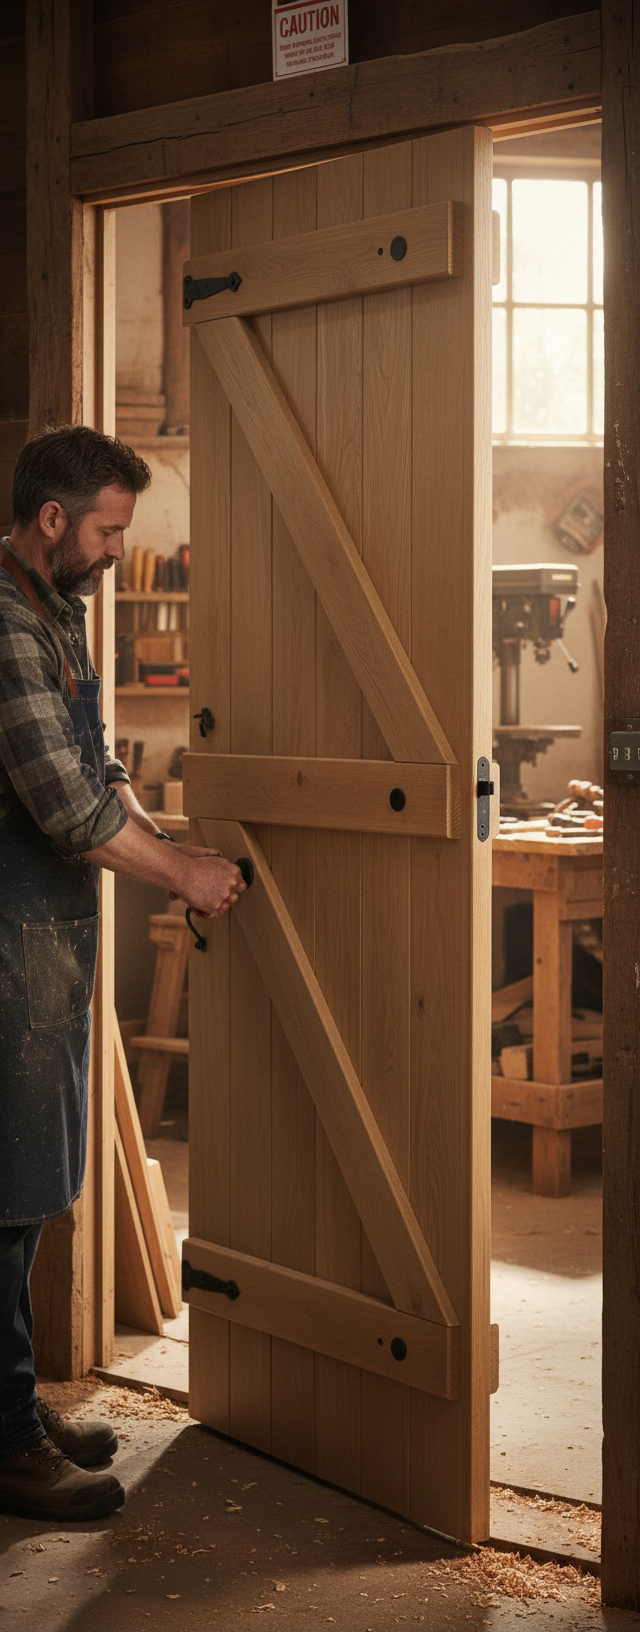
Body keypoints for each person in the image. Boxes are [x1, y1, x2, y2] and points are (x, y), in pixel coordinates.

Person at [0, 425, 246, 1522]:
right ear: (52, 521)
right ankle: (4, 1442)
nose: (116, 551)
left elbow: (98, 770)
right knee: (5, 1197)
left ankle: (6, 1407)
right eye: (107, 531)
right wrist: (180, 876)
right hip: (6, 934)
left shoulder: (57, 607)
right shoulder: (4, 620)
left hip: (41, 934)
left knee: (27, 1188)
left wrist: (174, 837)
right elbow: (63, 808)